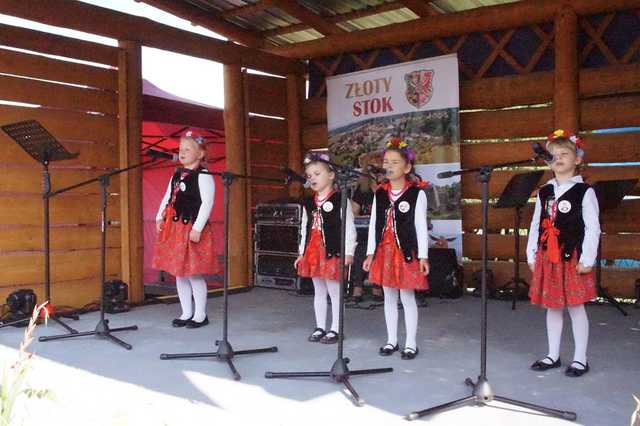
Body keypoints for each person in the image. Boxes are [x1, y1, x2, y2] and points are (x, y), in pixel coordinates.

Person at [527, 130, 599, 377]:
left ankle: (581, 358)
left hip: (572, 258)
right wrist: (532, 253)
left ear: (577, 159)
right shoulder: (545, 191)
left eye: (564, 154)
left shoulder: (584, 192)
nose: (558, 158)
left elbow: (593, 228)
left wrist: (588, 259)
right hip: (548, 257)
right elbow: (536, 223)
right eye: (553, 155)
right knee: (553, 307)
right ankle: (553, 354)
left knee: (576, 308)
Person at [363, 138, 429, 360]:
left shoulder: (416, 194)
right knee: (388, 296)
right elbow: (374, 224)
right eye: (386, 162)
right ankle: (392, 340)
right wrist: (370, 253)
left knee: (407, 296)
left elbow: (420, 225)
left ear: (407, 167)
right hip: (384, 252)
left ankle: (410, 343)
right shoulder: (380, 194)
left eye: (395, 162)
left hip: (406, 252)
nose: (388, 166)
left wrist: (423, 255)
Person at [153, 131, 215, 329]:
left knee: (193, 272)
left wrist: (197, 227)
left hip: (191, 228)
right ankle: (186, 312)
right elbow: (167, 195)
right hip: (175, 227)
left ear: (200, 154)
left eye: (188, 149)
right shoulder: (177, 174)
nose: (182, 152)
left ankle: (200, 314)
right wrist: (159, 215)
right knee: (179, 273)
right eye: (180, 149)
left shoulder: (204, 175)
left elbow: (207, 203)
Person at [295, 152, 356, 344]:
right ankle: (320, 326)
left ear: (331, 175)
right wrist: (301, 253)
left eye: (317, 173)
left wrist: (348, 252)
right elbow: (304, 228)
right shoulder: (308, 202)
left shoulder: (340, 199)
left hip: (332, 250)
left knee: (334, 290)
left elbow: (348, 227)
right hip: (313, 251)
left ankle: (336, 328)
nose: (312, 177)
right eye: (309, 175)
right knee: (318, 290)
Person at [349, 151, 383, 302]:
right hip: (365, 231)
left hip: (383, 231)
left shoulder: (388, 189)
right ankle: (358, 287)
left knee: (378, 246)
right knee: (361, 247)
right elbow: (354, 213)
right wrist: (364, 217)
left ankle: (377, 286)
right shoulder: (362, 190)